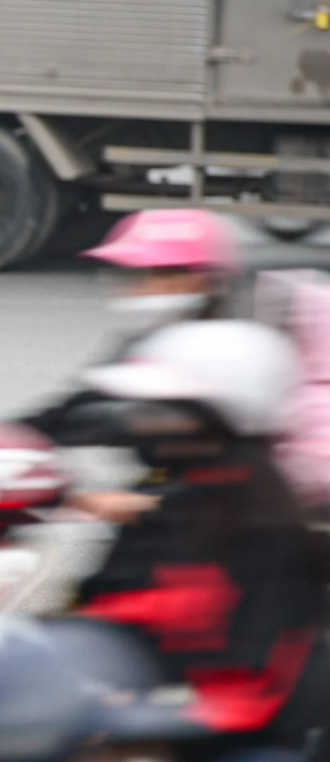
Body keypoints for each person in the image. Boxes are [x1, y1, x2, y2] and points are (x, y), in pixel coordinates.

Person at [69, 321, 330, 758]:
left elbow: (243, 687)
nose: (142, 423)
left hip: (235, 738)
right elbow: (101, 606)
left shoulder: (257, 529)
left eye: (163, 411)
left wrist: (132, 721)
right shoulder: (173, 503)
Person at [17, 208, 240, 446]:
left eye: (144, 275)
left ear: (194, 280)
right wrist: (14, 434)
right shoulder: (146, 345)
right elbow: (79, 404)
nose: (132, 287)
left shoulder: (232, 353)